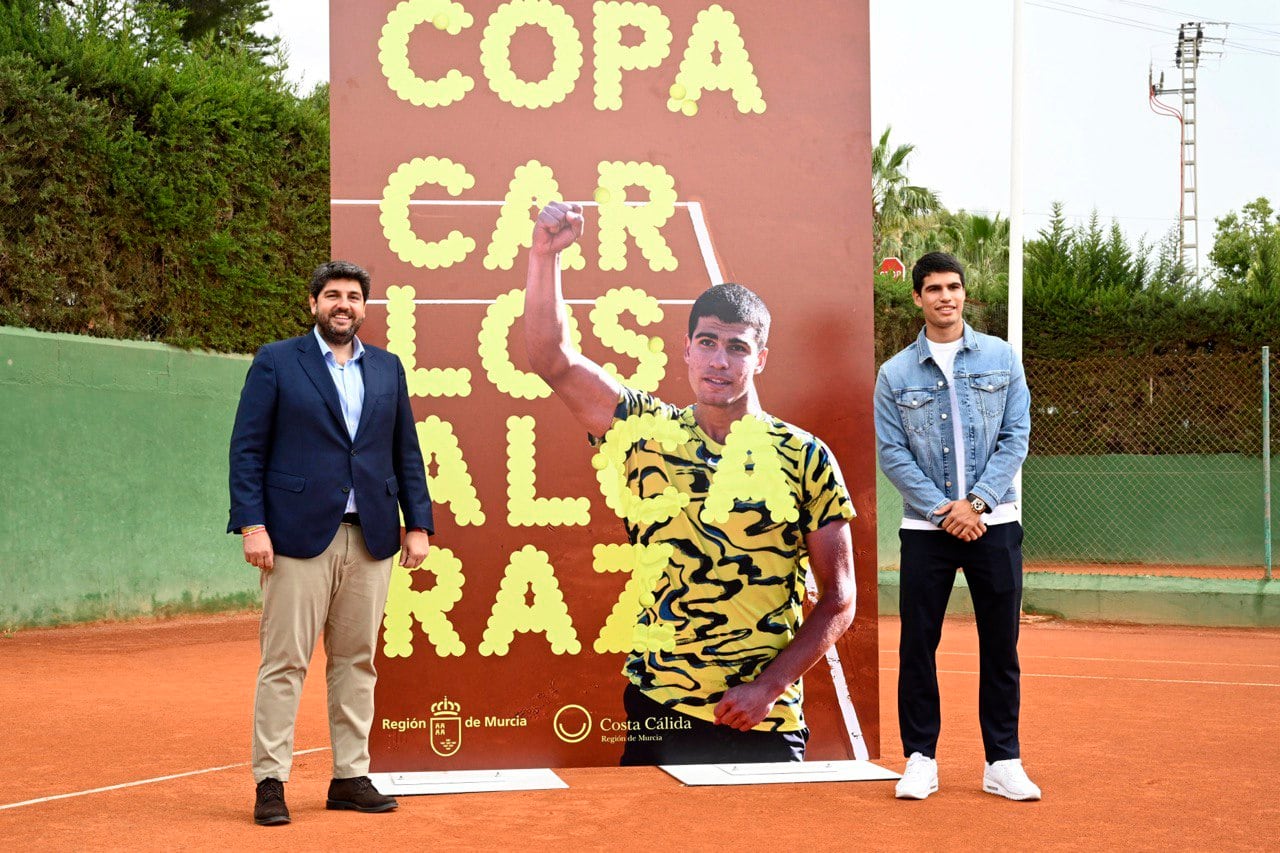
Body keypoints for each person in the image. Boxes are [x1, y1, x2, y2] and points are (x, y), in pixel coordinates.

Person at [524, 201, 856, 765]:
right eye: (706, 342)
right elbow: (552, 358)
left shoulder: (805, 456)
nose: (718, 361)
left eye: (736, 347)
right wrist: (543, 258)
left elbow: (839, 599)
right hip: (659, 708)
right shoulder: (645, 434)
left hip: (762, 720)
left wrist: (768, 688)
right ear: (685, 349)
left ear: (761, 358)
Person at [228, 260, 434, 825]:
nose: (343, 305)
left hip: (370, 538)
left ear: (364, 308)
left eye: (353, 297)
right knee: (284, 663)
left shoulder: (388, 369)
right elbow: (247, 449)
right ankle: (271, 783)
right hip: (295, 538)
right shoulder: (276, 361)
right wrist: (253, 525)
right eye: (332, 296)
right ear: (314, 304)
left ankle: (349, 776)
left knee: (356, 662)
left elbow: (404, 452)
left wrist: (417, 524)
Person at [874, 252, 1039, 801]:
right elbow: (892, 453)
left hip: (997, 523)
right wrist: (947, 510)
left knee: (1001, 646)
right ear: (917, 298)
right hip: (927, 531)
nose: (945, 296)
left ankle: (1003, 761)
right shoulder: (894, 372)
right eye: (933, 289)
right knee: (918, 645)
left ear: (964, 294)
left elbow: (1016, 436)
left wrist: (980, 503)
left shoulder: (1001, 357)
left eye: (954, 287)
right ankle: (920, 758)